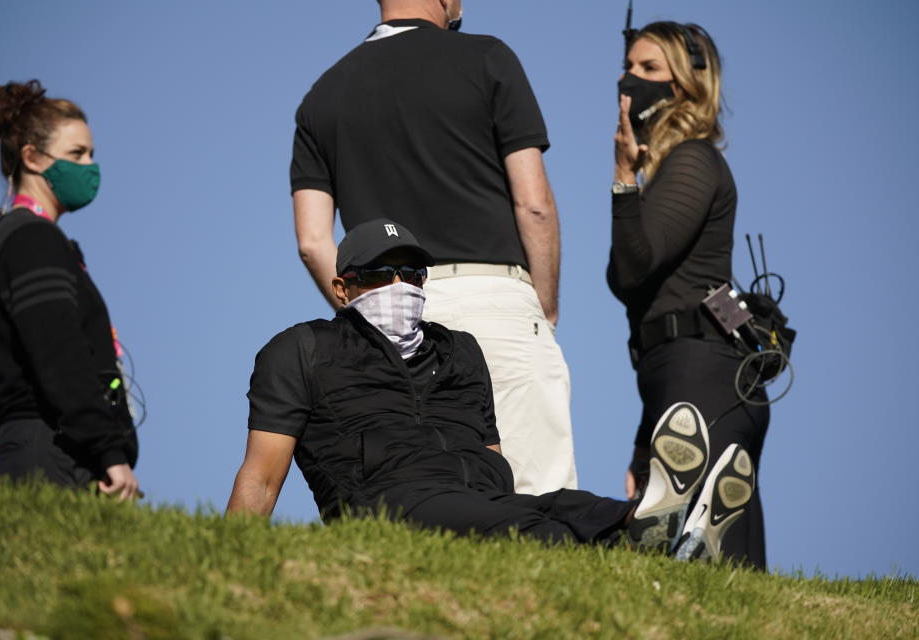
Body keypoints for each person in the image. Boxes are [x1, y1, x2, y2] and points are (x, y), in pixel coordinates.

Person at [228, 219, 754, 560]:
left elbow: (491, 458)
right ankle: (665, 543)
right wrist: (234, 563)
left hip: (479, 500)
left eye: (412, 273)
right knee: (538, 532)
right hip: (386, 507)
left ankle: (659, 530)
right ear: (343, 288)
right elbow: (260, 479)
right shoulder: (302, 349)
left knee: (568, 506)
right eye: (381, 274)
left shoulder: (458, 349)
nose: (400, 286)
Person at [291, 0, 576, 494]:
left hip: (385, 310)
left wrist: (366, 316)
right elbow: (534, 206)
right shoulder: (488, 58)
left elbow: (314, 242)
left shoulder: (322, 96)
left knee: (431, 496)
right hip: (495, 297)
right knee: (540, 498)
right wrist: (544, 304)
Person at [608, 22, 769, 567]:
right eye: (629, 67)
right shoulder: (677, 167)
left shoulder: (694, 160)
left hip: (704, 376)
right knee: (682, 552)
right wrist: (640, 441)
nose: (631, 79)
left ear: (686, 85)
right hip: (677, 377)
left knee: (719, 556)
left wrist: (623, 178)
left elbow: (633, 266)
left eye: (650, 69)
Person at [0, 80, 139, 500]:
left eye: (91, 154)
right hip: (51, 452)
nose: (89, 166)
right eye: (76, 155)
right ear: (31, 157)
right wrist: (109, 453)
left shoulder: (28, 237)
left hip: (58, 447)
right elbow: (58, 353)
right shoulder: (31, 240)